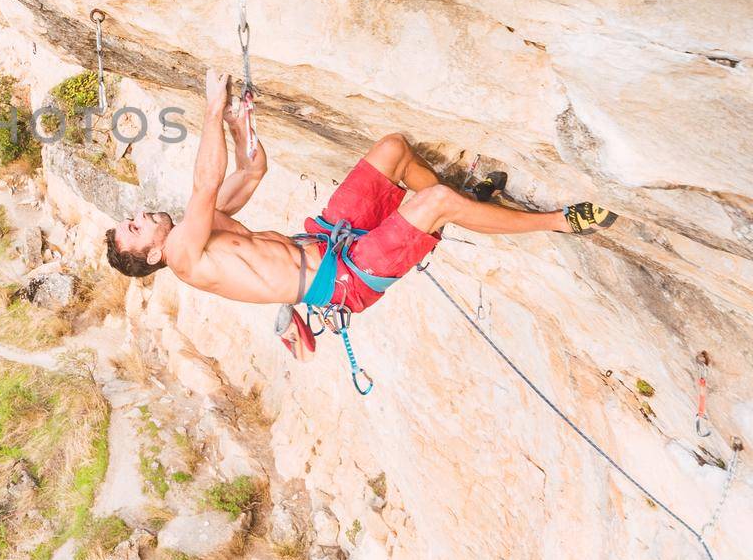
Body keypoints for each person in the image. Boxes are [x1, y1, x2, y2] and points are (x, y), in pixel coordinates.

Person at [104, 69, 615, 358]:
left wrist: (241, 123)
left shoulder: (198, 228)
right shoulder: (187, 258)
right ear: (152, 254)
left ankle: (464, 203)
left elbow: (253, 171)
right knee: (433, 205)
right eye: (134, 228)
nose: (139, 215)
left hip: (329, 239)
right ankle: (558, 220)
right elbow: (206, 181)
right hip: (347, 278)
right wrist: (212, 107)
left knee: (392, 149)